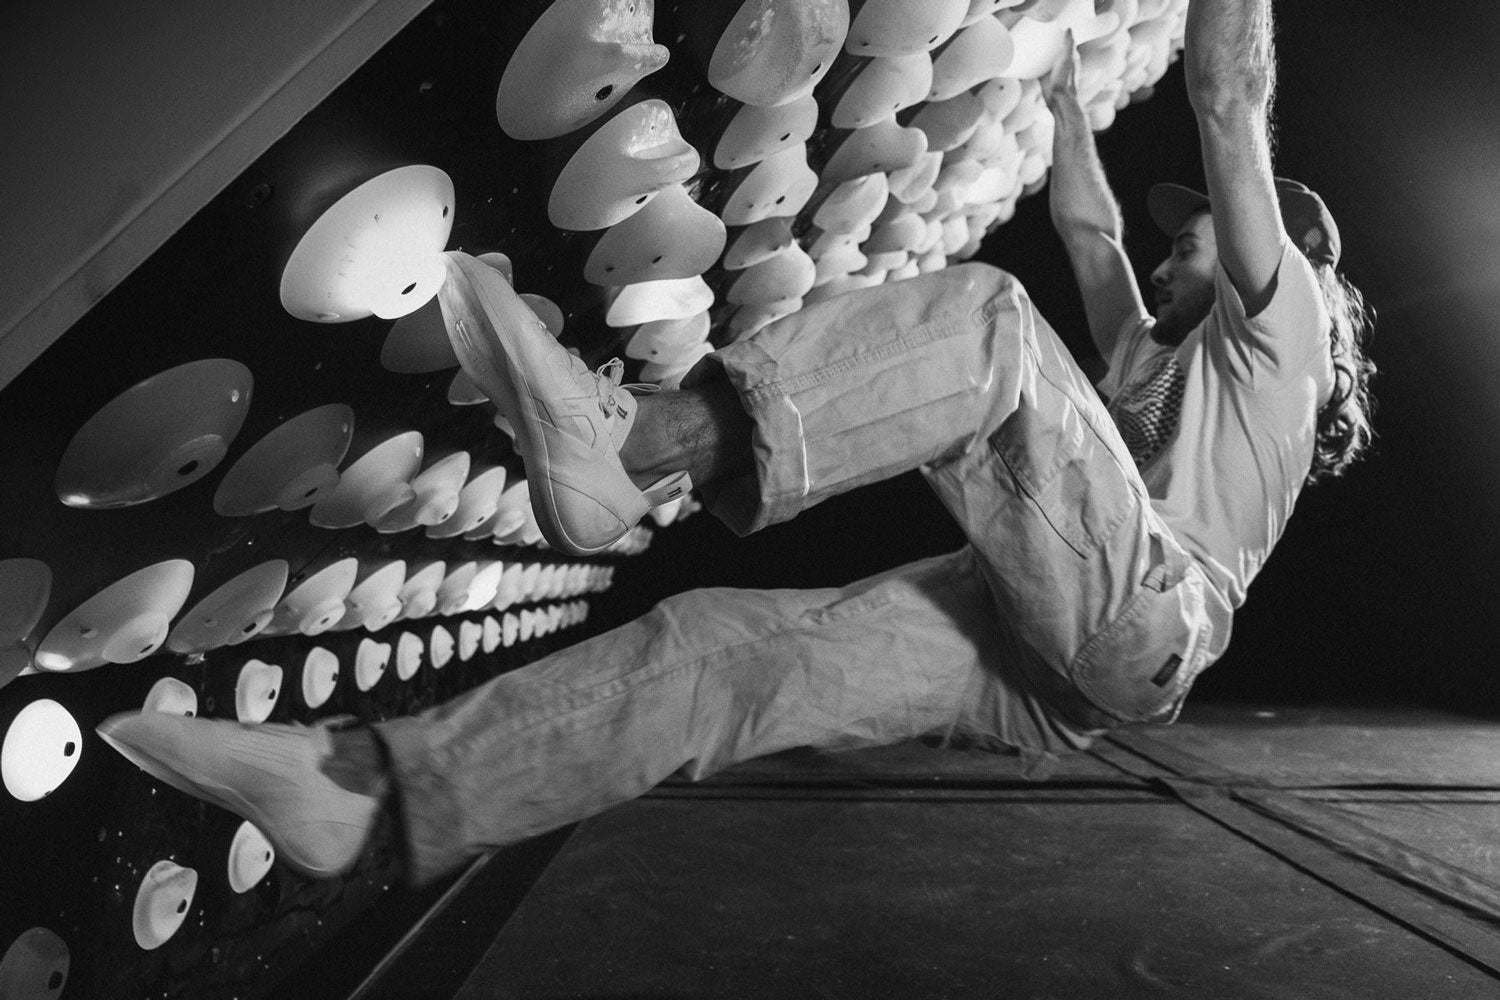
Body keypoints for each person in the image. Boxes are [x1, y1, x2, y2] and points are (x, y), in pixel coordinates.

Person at [97, 0, 1374, 889]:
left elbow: (1229, 94)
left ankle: (638, 448)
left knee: (991, 325)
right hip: (1053, 662)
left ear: (1286, 250)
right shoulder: (1158, 345)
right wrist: (1064, 104)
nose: (1177, 244)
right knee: (722, 655)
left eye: (1202, 232)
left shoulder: (1283, 330)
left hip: (1152, 618)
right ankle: (373, 790)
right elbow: (1091, 236)